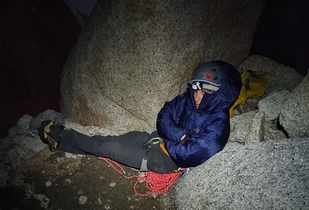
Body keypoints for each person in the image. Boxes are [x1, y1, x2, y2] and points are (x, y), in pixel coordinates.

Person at [38, 60, 242, 174]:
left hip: (163, 160)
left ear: (219, 93)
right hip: (155, 138)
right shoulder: (190, 99)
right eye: (195, 89)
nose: (197, 96)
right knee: (109, 142)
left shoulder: (218, 128)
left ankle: (63, 136)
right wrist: (179, 135)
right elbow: (165, 114)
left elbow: (187, 154)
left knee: (111, 148)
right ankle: (62, 143)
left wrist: (169, 141)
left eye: (204, 91)